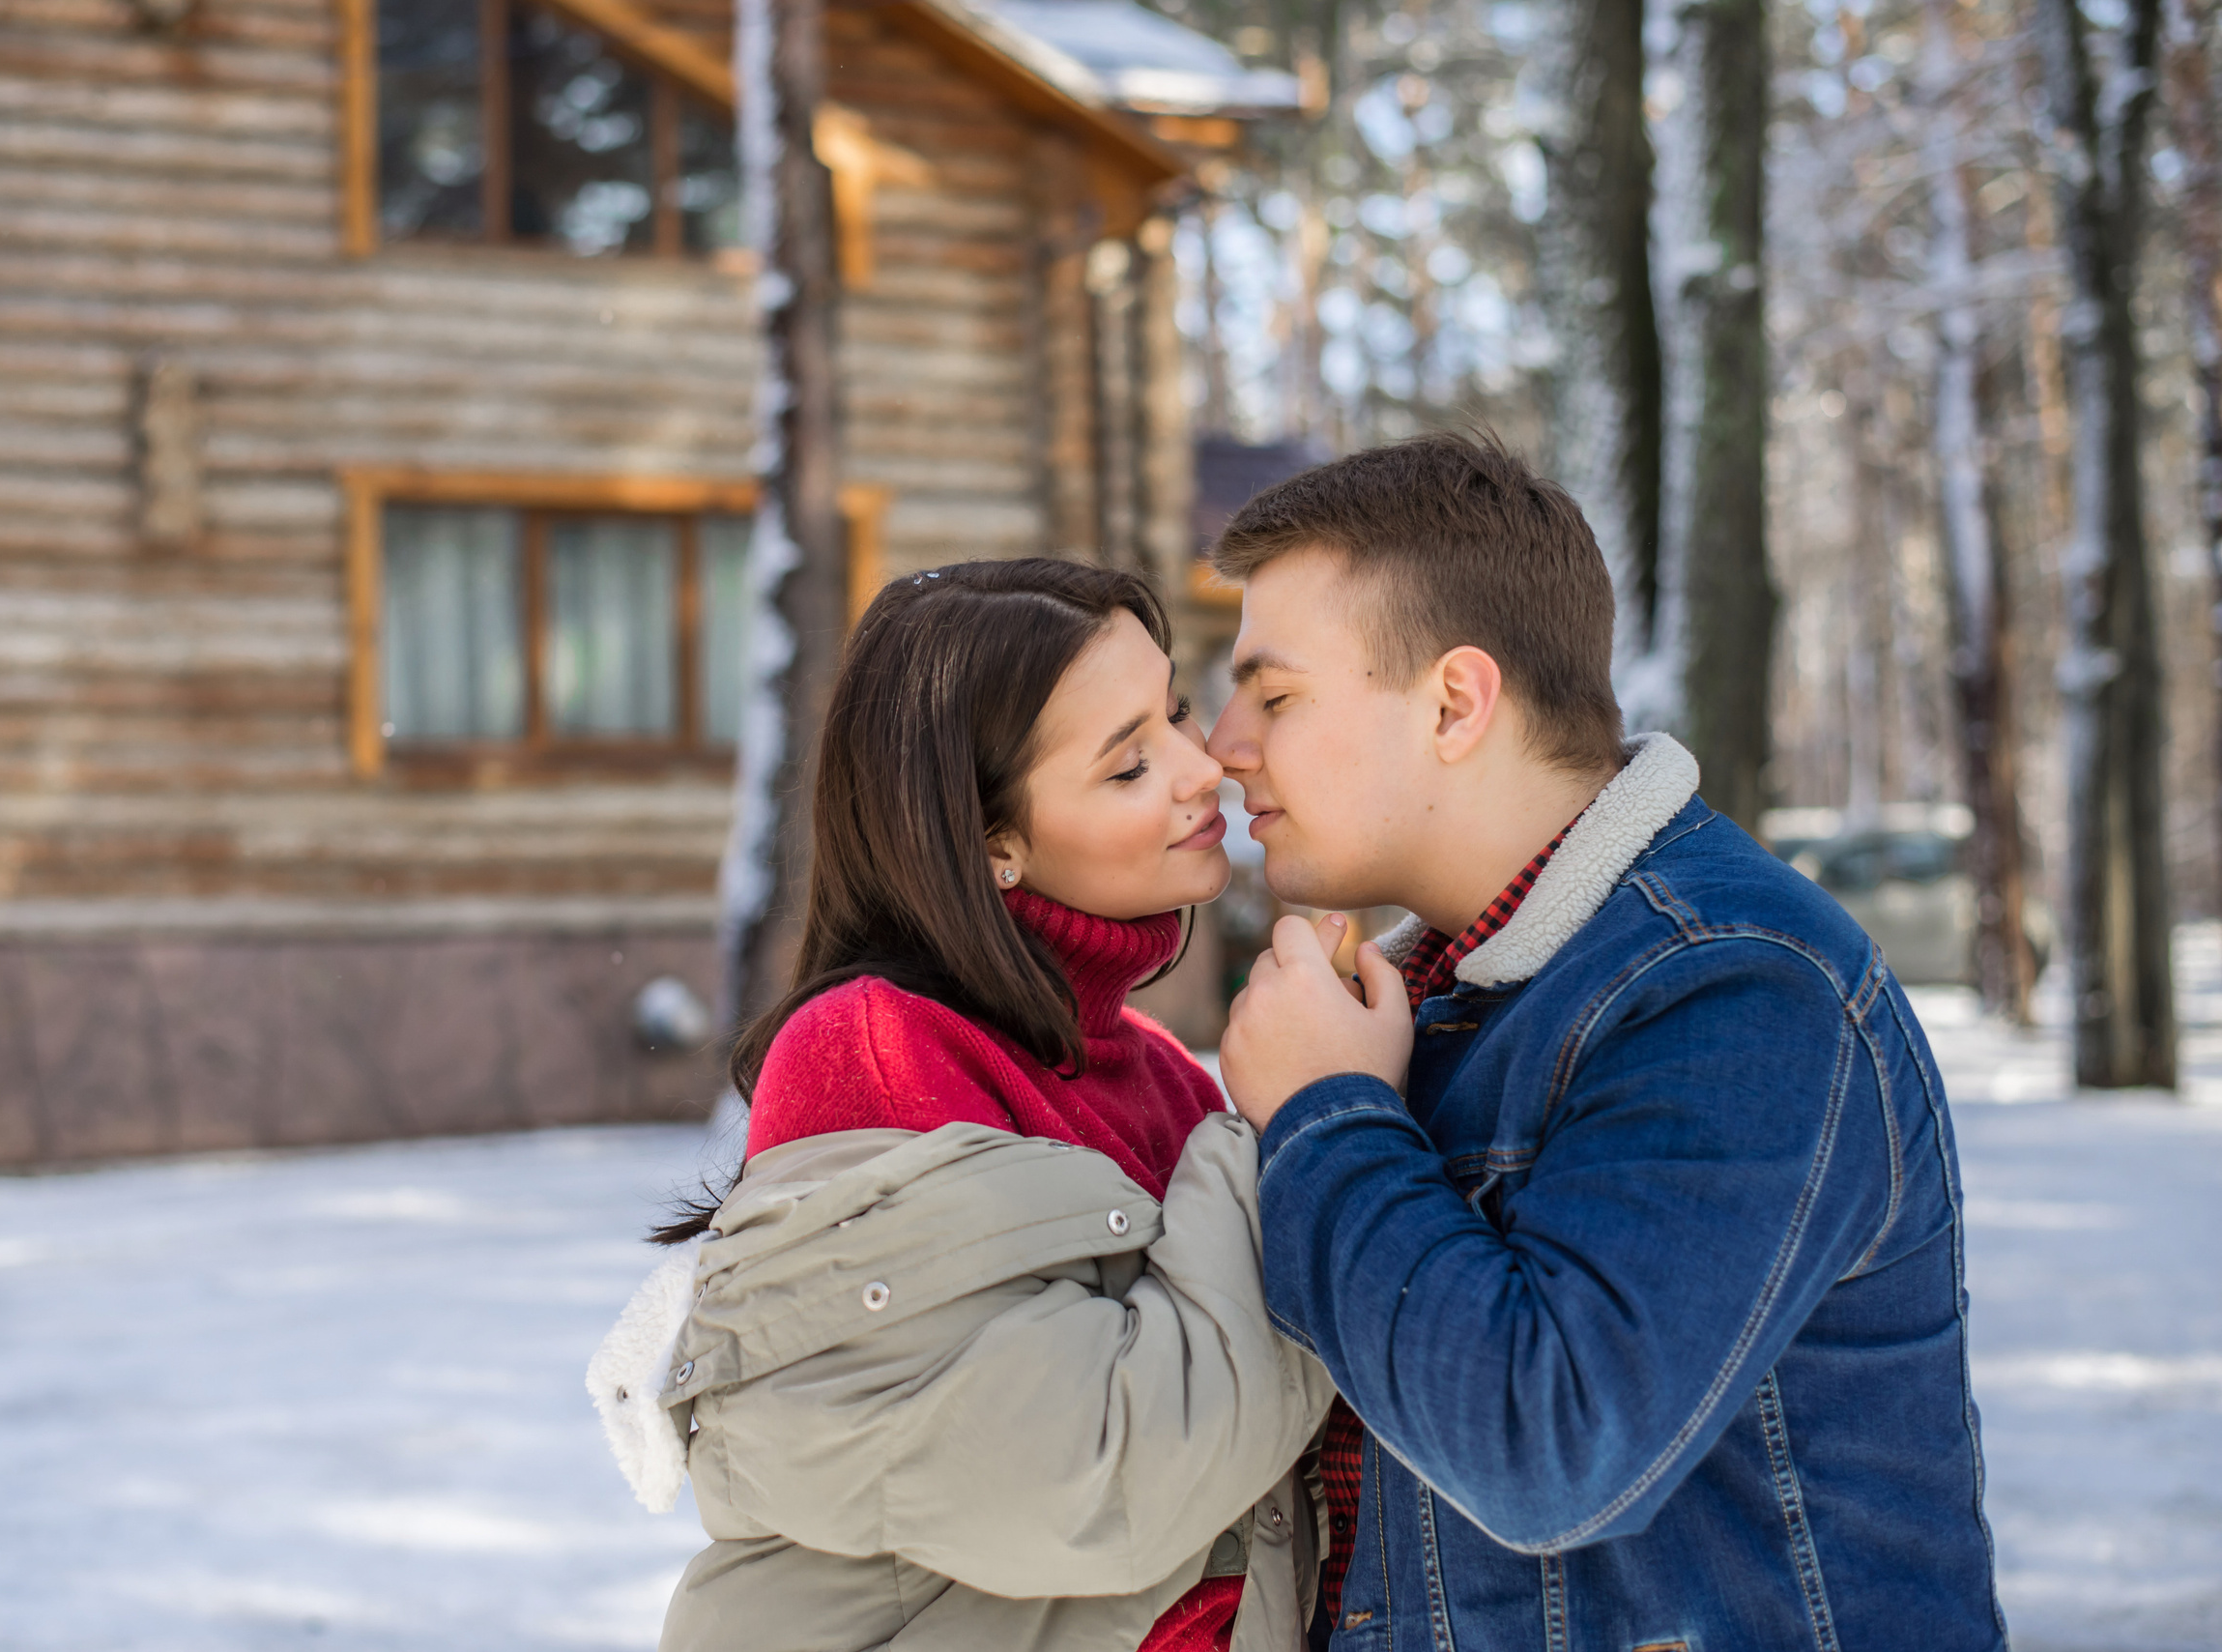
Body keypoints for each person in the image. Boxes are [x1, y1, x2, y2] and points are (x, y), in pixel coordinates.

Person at [1206, 432, 2006, 1651]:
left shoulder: (1733, 982)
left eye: (1273, 694)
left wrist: (1325, 1114)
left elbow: (1550, 1449)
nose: (1224, 743)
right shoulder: (1431, 998)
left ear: (1454, 701)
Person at [589, 558, 1338, 1652]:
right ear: (991, 844)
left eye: (1174, 709)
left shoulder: (1153, 1068)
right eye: (1129, 763)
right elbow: (1099, 1477)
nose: (1202, 765)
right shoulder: (874, 1051)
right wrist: (1314, 1120)